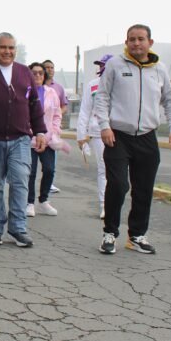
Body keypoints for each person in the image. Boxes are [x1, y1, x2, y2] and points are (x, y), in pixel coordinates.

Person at [94, 24, 171, 255]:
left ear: (150, 42)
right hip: (118, 136)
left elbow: (170, 101)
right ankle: (109, 233)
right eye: (131, 39)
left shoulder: (159, 69)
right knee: (119, 185)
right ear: (126, 42)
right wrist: (104, 126)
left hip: (147, 138)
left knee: (143, 189)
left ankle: (137, 236)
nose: (136, 43)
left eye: (141, 39)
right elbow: (102, 96)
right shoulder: (115, 65)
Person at [0, 32, 47, 248]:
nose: (7, 51)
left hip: (20, 138)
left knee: (20, 181)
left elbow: (34, 104)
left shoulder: (24, 73)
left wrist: (40, 131)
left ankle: (18, 228)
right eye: (3, 47)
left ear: (16, 50)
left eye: (11, 48)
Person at [26, 62, 70, 217]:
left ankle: (43, 200)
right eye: (34, 73)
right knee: (30, 172)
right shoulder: (25, 92)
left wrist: (54, 131)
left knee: (50, 169)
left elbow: (57, 114)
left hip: (48, 139)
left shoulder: (51, 92)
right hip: (29, 139)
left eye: (40, 73)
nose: (37, 76)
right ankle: (29, 202)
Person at [76, 54, 112, 219]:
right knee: (103, 169)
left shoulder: (121, 84)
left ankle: (115, 203)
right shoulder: (92, 85)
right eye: (101, 65)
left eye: (105, 65)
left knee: (118, 172)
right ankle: (105, 205)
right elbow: (85, 111)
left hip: (120, 131)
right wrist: (81, 136)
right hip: (98, 133)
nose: (102, 69)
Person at [42, 59, 68, 194]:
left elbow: (63, 107)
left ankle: (49, 185)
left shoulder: (58, 88)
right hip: (36, 131)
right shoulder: (33, 87)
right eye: (47, 67)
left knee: (50, 164)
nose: (50, 70)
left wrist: (55, 117)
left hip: (52, 129)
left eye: (52, 67)